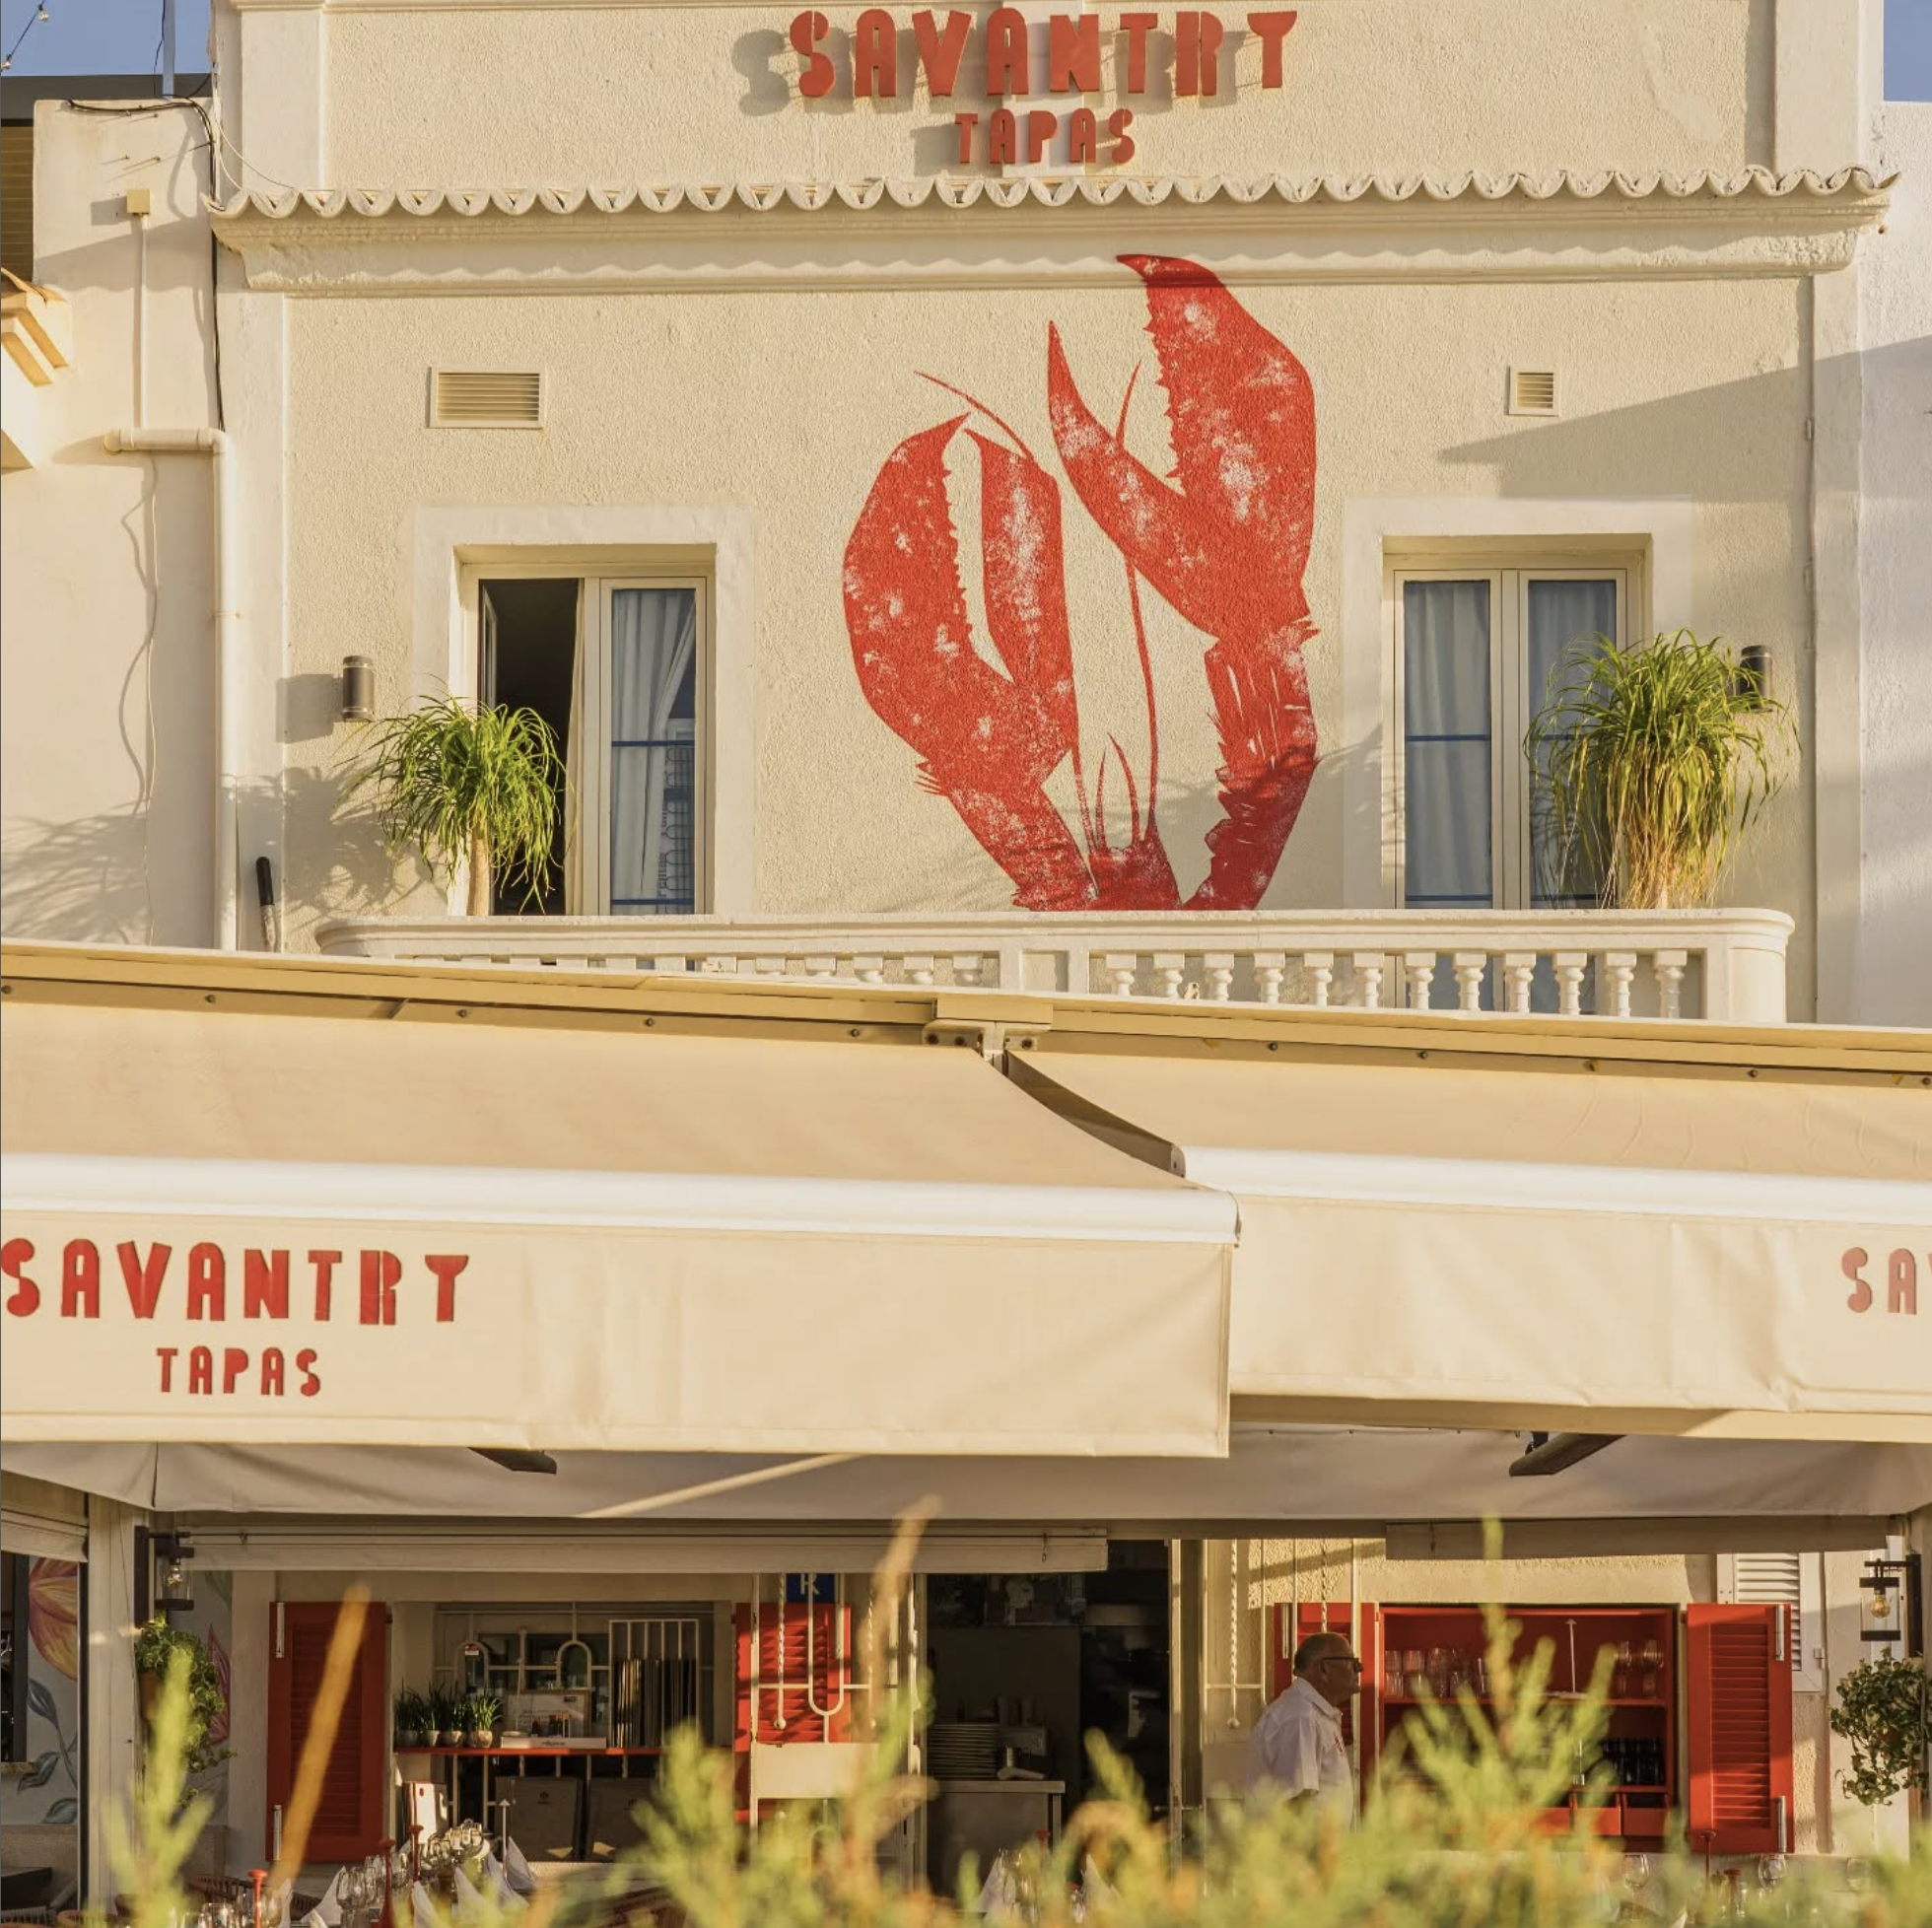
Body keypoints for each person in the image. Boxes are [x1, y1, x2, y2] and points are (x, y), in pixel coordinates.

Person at [1244, 1630, 1362, 1822]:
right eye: (1351, 1661)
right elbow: (1297, 1802)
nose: (1359, 1668)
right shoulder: (1301, 1717)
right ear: (1323, 1669)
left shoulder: (1314, 1713)